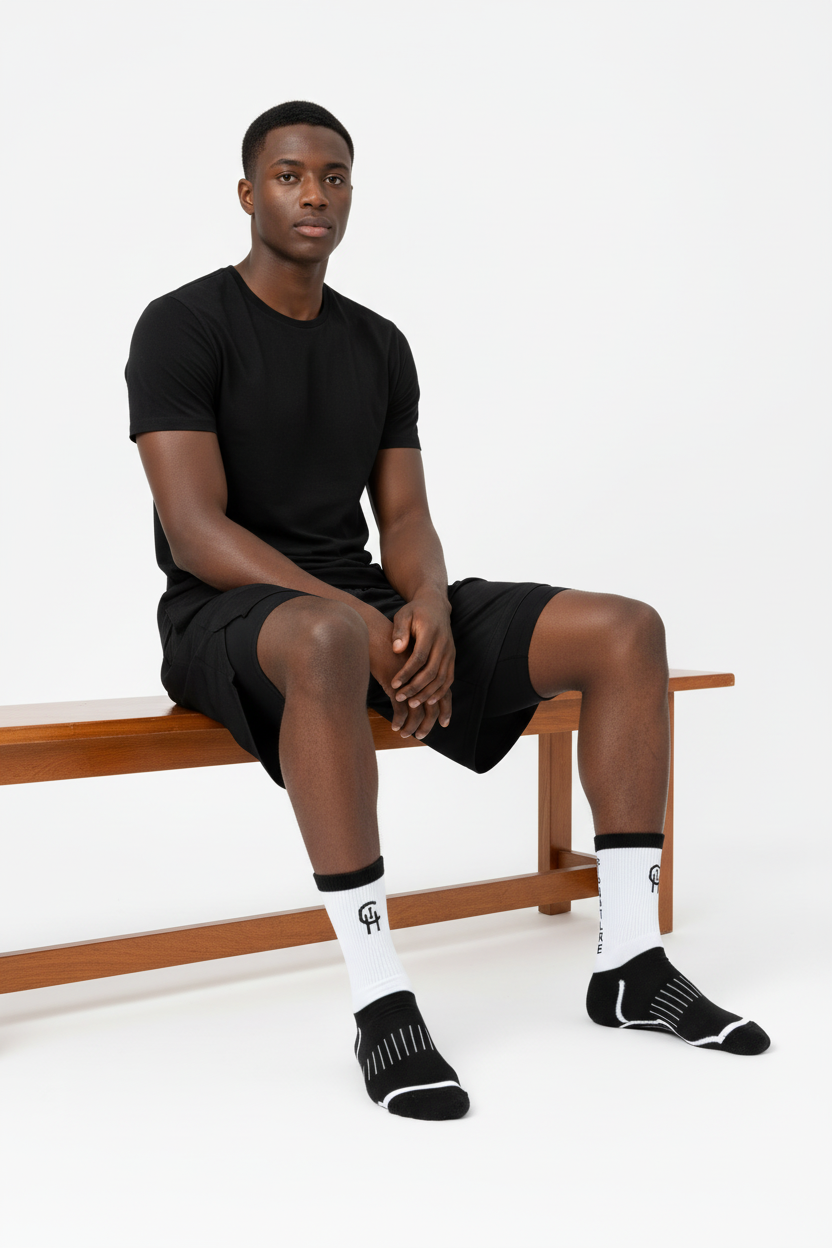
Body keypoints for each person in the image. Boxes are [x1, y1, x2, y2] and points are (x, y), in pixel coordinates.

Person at [125, 100, 769, 1122]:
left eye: (334, 176)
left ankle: (632, 964)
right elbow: (198, 531)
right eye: (289, 176)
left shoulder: (378, 343)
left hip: (359, 605)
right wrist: (359, 621)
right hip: (226, 613)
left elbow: (406, 517)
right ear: (248, 193)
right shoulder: (182, 325)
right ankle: (381, 997)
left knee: (626, 631)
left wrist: (422, 600)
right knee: (329, 636)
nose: (314, 194)